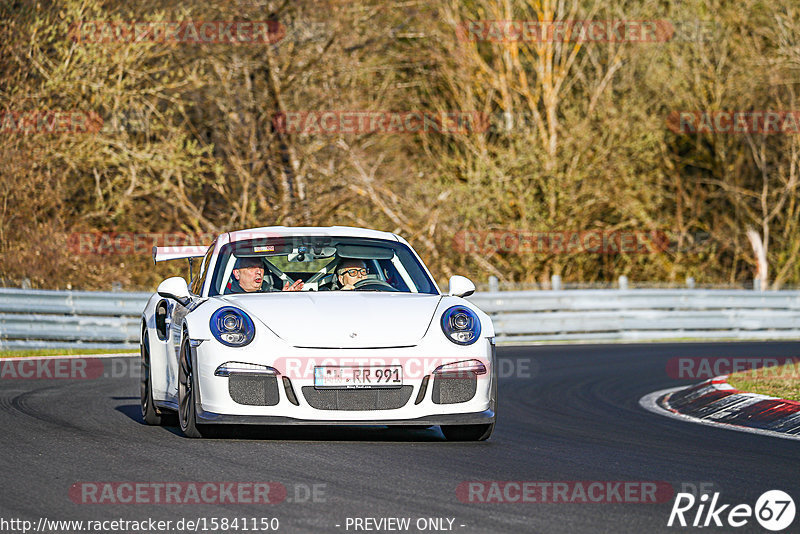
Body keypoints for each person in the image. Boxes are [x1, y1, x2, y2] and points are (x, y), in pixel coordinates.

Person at [229, 256, 303, 293]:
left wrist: (285, 298)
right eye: (251, 267)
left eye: (261, 267)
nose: (258, 271)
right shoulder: (226, 297)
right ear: (237, 274)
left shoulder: (271, 293)